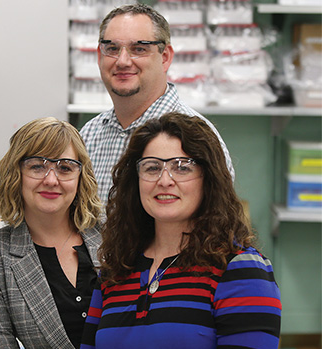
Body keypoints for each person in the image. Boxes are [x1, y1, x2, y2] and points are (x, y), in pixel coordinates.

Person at [71, 112, 281, 349]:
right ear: (135, 181)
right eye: (152, 167)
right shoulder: (116, 271)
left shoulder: (241, 269)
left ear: (209, 178)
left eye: (182, 167)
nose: (165, 180)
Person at [0, 117, 104, 349]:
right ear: (15, 173)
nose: (51, 179)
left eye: (65, 168)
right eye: (37, 166)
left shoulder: (113, 236)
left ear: (80, 176)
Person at [80, 4, 235, 203]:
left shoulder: (196, 138)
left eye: (139, 49)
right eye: (112, 49)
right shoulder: (89, 135)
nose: (123, 61)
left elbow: (214, 226)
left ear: (165, 58)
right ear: (100, 57)